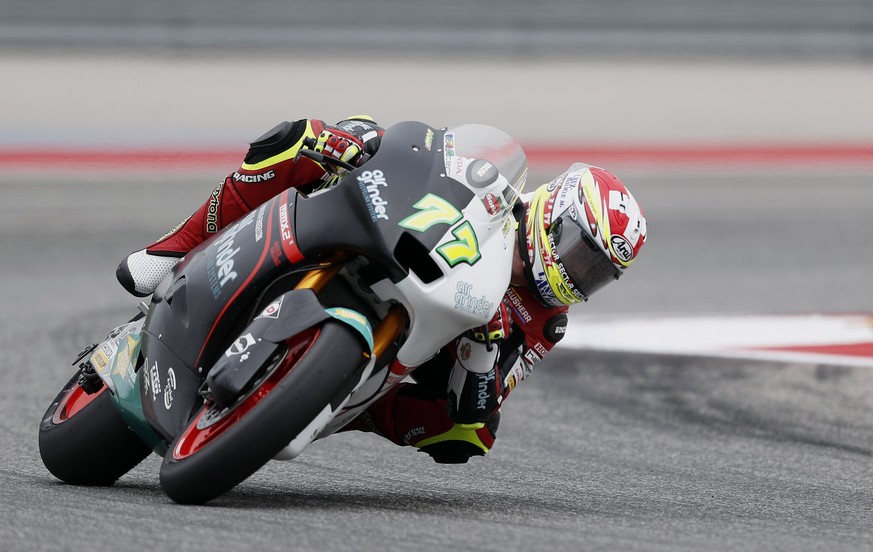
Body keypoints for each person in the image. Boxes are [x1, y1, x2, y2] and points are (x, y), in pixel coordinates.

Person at [116, 116, 648, 464]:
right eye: (581, 251)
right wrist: (367, 145)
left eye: (597, 273)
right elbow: (429, 150)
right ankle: (171, 251)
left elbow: (479, 415)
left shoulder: (544, 319)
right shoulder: (497, 190)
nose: (580, 274)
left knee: (466, 438)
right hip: (388, 235)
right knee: (307, 138)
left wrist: (481, 358)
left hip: (402, 366)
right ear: (555, 212)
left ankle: (326, 394)